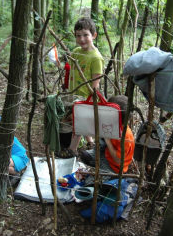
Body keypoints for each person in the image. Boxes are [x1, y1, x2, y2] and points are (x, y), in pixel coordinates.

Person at [58, 17, 104, 158]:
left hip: (86, 97)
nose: (82, 39)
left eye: (85, 35)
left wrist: (87, 100)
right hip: (74, 94)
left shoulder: (96, 58)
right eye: (78, 35)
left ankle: (72, 150)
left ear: (94, 35)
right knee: (80, 122)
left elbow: (95, 84)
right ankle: (91, 142)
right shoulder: (76, 51)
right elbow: (69, 69)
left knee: (78, 124)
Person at [79, 95, 135, 175]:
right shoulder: (112, 123)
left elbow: (118, 160)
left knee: (91, 182)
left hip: (114, 166)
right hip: (105, 154)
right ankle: (98, 162)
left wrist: (107, 140)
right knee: (84, 155)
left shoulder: (126, 136)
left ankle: (108, 175)